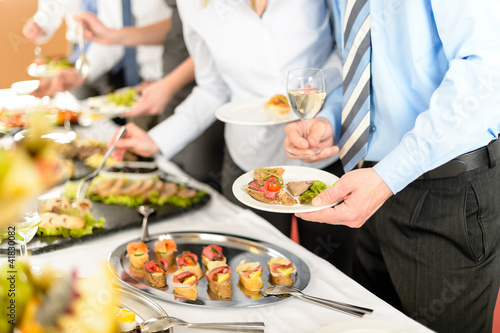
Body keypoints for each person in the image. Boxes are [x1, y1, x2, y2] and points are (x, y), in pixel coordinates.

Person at [284, 1, 500, 332]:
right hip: (369, 182)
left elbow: (486, 69)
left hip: (445, 194)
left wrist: (388, 177)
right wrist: (330, 118)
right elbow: (355, 61)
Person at [109, 0, 358, 275]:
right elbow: (212, 89)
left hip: (327, 147)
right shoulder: (192, 6)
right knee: (254, 277)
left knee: (336, 276)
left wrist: (320, 90)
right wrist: (157, 140)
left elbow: (347, 52)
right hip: (250, 158)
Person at [75, 0, 225, 188]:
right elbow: (213, 84)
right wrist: (157, 140)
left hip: (186, 88)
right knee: (175, 174)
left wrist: (168, 85)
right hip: (174, 89)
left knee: (200, 176)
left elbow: (218, 52)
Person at [27, 0, 171, 100]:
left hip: (169, 74)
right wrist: (80, 73)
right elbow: (113, 37)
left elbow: (179, 27)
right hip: (139, 78)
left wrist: (169, 80)